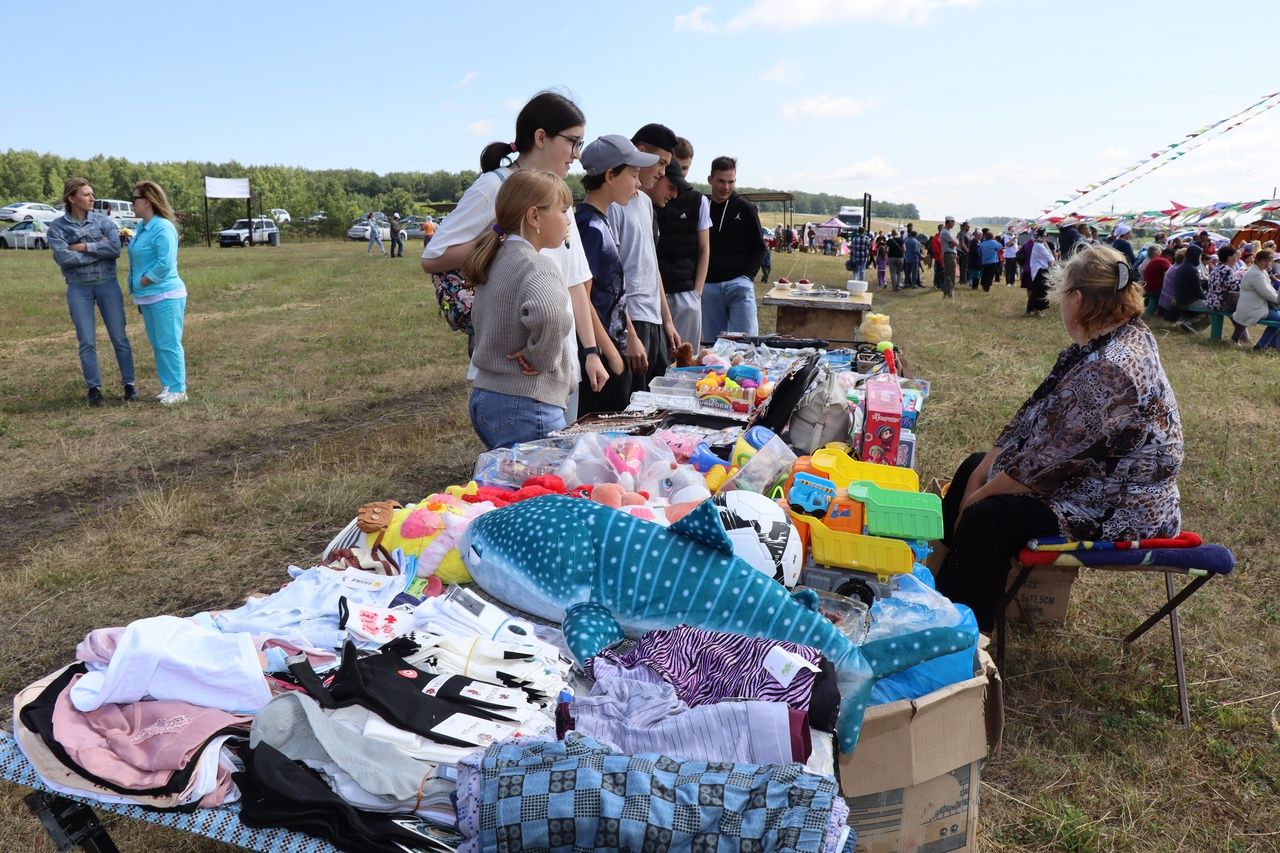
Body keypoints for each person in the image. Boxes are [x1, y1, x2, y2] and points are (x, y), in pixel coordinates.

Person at [934, 244, 1183, 630]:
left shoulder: (1111, 367)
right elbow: (1031, 417)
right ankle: (942, 588)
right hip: (1093, 484)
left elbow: (1046, 464)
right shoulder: (1100, 346)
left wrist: (976, 500)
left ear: (1078, 299)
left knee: (987, 517)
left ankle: (958, 634)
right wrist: (983, 469)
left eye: (1063, 295)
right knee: (973, 467)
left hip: (1121, 508)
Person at [420, 91, 607, 398]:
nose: (577, 154)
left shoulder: (558, 196)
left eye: (580, 144)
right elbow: (433, 257)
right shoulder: (495, 186)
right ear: (541, 137)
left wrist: (590, 351)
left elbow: (574, 282)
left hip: (559, 365)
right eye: (573, 142)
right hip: (514, 370)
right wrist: (506, 238)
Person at [463, 170, 575, 449]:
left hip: (486, 397)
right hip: (527, 403)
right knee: (538, 490)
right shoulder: (536, 265)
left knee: (508, 485)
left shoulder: (495, 258)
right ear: (534, 216)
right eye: (563, 210)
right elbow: (552, 316)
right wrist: (541, 358)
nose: (568, 219)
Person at [574, 136, 654, 416]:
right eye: (633, 174)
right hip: (603, 362)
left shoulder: (602, 221)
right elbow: (582, 298)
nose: (639, 183)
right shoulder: (590, 228)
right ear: (610, 175)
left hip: (615, 351)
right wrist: (610, 354)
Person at [47, 178, 137, 406]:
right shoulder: (58, 227)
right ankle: (94, 389)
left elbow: (115, 249)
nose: (92, 198)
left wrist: (83, 246)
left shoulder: (103, 221)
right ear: (71, 198)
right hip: (78, 288)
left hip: (107, 284)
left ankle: (129, 385)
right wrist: (99, 249)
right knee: (86, 340)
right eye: (86, 194)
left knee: (119, 337)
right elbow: (64, 258)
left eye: (92, 194)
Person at [608, 123, 680, 394]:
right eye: (660, 163)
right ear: (640, 152)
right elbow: (610, 276)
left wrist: (668, 321)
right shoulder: (615, 204)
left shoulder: (646, 203)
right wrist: (629, 334)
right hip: (631, 321)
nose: (663, 172)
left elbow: (651, 265)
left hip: (654, 323)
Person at [128, 181, 189, 405]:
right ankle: (168, 386)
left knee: (169, 342)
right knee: (157, 343)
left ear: (147, 201)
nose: (131, 204)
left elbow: (165, 263)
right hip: (147, 296)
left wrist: (144, 281)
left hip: (165, 295)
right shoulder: (142, 228)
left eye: (134, 199)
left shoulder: (163, 227)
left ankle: (179, 389)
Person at [702, 156, 765, 341]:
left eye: (731, 182)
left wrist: (747, 277)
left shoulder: (746, 208)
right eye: (721, 181)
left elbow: (759, 247)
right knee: (714, 346)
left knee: (746, 344)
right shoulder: (702, 206)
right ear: (710, 179)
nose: (726, 187)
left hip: (739, 285)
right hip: (710, 287)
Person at [657, 136, 710, 349]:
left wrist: (696, 293)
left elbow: (705, 248)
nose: (681, 174)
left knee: (686, 359)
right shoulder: (650, 198)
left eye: (685, 168)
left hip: (685, 292)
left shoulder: (698, 200)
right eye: (676, 167)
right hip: (656, 293)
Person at [1233, 248, 1280, 350]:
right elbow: (1268, 294)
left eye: (1270, 260)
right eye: (1265, 260)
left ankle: (1270, 345)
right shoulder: (1256, 274)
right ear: (1258, 260)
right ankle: (1262, 346)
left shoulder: (1260, 271)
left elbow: (1270, 290)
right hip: (1253, 309)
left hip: (1255, 307)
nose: (1268, 263)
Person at [1172, 244, 1208, 332]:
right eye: (1199, 256)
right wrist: (1207, 298)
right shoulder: (1192, 269)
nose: (1200, 258)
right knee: (1212, 307)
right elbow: (1198, 290)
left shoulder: (1182, 266)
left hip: (1179, 299)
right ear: (1195, 256)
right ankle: (1192, 327)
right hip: (1188, 301)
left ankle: (1186, 322)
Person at [1026, 228, 1055, 316]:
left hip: (1039, 270)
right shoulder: (1039, 246)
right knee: (1039, 292)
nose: (1046, 238)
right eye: (1045, 236)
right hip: (1040, 270)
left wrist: (1045, 242)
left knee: (1037, 292)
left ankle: (1034, 310)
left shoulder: (1039, 244)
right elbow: (1051, 258)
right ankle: (1036, 310)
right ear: (1041, 237)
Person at [938, 216, 958, 298]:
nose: (954, 223)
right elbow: (955, 243)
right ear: (948, 222)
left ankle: (946, 293)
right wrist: (955, 242)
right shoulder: (946, 232)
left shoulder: (947, 231)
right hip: (949, 255)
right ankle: (949, 293)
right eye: (953, 222)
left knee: (948, 274)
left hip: (949, 254)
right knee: (951, 274)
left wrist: (954, 242)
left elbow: (953, 243)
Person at [977, 228, 1002, 292]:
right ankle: (987, 288)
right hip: (992, 262)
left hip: (984, 262)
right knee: (990, 275)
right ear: (992, 236)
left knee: (984, 274)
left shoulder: (982, 243)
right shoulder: (994, 242)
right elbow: (1000, 247)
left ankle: (983, 284)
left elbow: (979, 252)